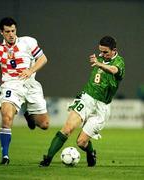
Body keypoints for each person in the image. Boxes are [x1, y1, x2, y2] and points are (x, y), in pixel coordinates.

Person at [39, 36, 125, 167]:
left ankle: (91, 153)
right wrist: (99, 61)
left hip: (102, 107)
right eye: (100, 51)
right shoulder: (100, 57)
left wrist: (99, 64)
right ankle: (47, 159)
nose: (102, 54)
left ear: (114, 50)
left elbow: (114, 70)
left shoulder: (119, 61)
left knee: (81, 142)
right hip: (87, 99)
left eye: (105, 52)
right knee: (67, 129)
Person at [0, 17, 49, 165]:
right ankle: (5, 156)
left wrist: (30, 70)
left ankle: (27, 113)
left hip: (30, 84)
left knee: (44, 125)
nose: (11, 34)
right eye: (7, 31)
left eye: (13, 31)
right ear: (2, 32)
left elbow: (43, 59)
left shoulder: (28, 42)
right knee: (6, 117)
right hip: (11, 85)